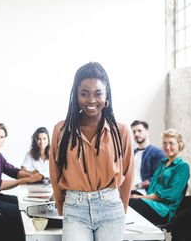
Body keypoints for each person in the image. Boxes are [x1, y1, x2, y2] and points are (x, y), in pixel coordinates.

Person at [49, 62, 134, 241]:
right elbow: (55, 174)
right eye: (84, 94)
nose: (91, 100)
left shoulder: (121, 132)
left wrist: (122, 209)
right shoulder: (61, 131)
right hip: (75, 208)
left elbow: (128, 176)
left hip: (111, 208)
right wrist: (62, 207)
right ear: (76, 96)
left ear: (106, 94)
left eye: (98, 93)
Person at [0, 123, 43, 240]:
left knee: (27, 205)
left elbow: (13, 171)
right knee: (23, 213)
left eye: (2, 137)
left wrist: (32, 174)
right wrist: (27, 179)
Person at [129, 129, 190, 225]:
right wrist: (135, 191)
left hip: (163, 211)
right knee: (126, 195)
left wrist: (142, 197)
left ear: (180, 145)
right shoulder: (162, 163)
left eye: (171, 143)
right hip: (151, 203)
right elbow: (152, 184)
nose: (167, 147)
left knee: (129, 202)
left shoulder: (182, 166)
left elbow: (170, 195)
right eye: (165, 143)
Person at [130, 120, 165, 195]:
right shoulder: (131, 153)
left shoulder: (157, 153)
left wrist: (136, 187)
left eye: (139, 131)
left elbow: (157, 178)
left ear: (147, 132)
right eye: (134, 132)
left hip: (143, 193)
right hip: (127, 191)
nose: (136, 134)